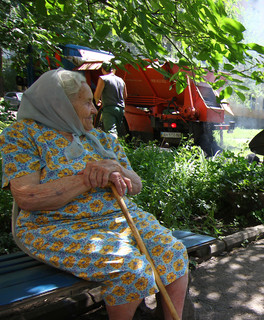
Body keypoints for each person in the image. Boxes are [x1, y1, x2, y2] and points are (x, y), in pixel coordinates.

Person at [1, 69, 188, 320]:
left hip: (119, 218)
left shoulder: (100, 138)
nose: (94, 109)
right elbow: (27, 197)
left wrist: (117, 168)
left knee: (174, 251)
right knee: (131, 268)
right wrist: (85, 179)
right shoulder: (22, 135)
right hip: (55, 225)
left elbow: (136, 185)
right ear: (61, 104)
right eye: (87, 102)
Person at [94, 61, 127, 138]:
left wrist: (97, 101)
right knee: (116, 131)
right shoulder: (121, 80)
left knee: (111, 132)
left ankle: (113, 148)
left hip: (109, 108)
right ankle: (117, 147)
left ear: (102, 69)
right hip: (120, 109)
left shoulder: (103, 79)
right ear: (112, 69)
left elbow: (97, 95)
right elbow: (125, 95)